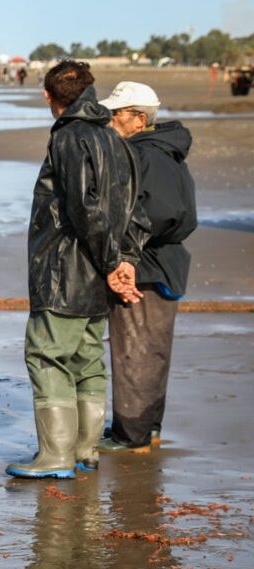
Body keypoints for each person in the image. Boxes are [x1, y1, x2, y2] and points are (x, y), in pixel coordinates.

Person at [6, 61, 145, 480]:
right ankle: (85, 450)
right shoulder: (113, 136)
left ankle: (56, 455)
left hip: (66, 272)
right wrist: (123, 262)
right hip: (98, 271)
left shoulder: (71, 136)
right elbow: (135, 209)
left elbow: (86, 210)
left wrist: (112, 263)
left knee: (47, 356)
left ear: (49, 97)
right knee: (87, 359)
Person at [97, 82, 197, 453]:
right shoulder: (162, 150)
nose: (109, 119)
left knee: (134, 350)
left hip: (147, 265)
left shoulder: (146, 155)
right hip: (162, 262)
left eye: (116, 113)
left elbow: (162, 213)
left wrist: (128, 254)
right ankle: (146, 429)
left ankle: (132, 435)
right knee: (152, 350)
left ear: (139, 119)